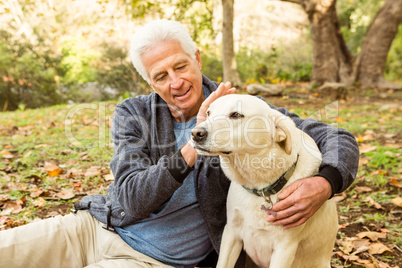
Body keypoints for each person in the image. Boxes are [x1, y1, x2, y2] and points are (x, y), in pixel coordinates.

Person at [0, 19, 359, 268]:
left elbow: (337, 137)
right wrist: (193, 145)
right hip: (93, 227)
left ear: (197, 59)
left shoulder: (243, 113)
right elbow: (131, 198)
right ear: (150, 83)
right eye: (161, 76)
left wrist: (325, 182)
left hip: (149, 259)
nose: (176, 82)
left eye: (181, 66)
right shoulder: (134, 113)